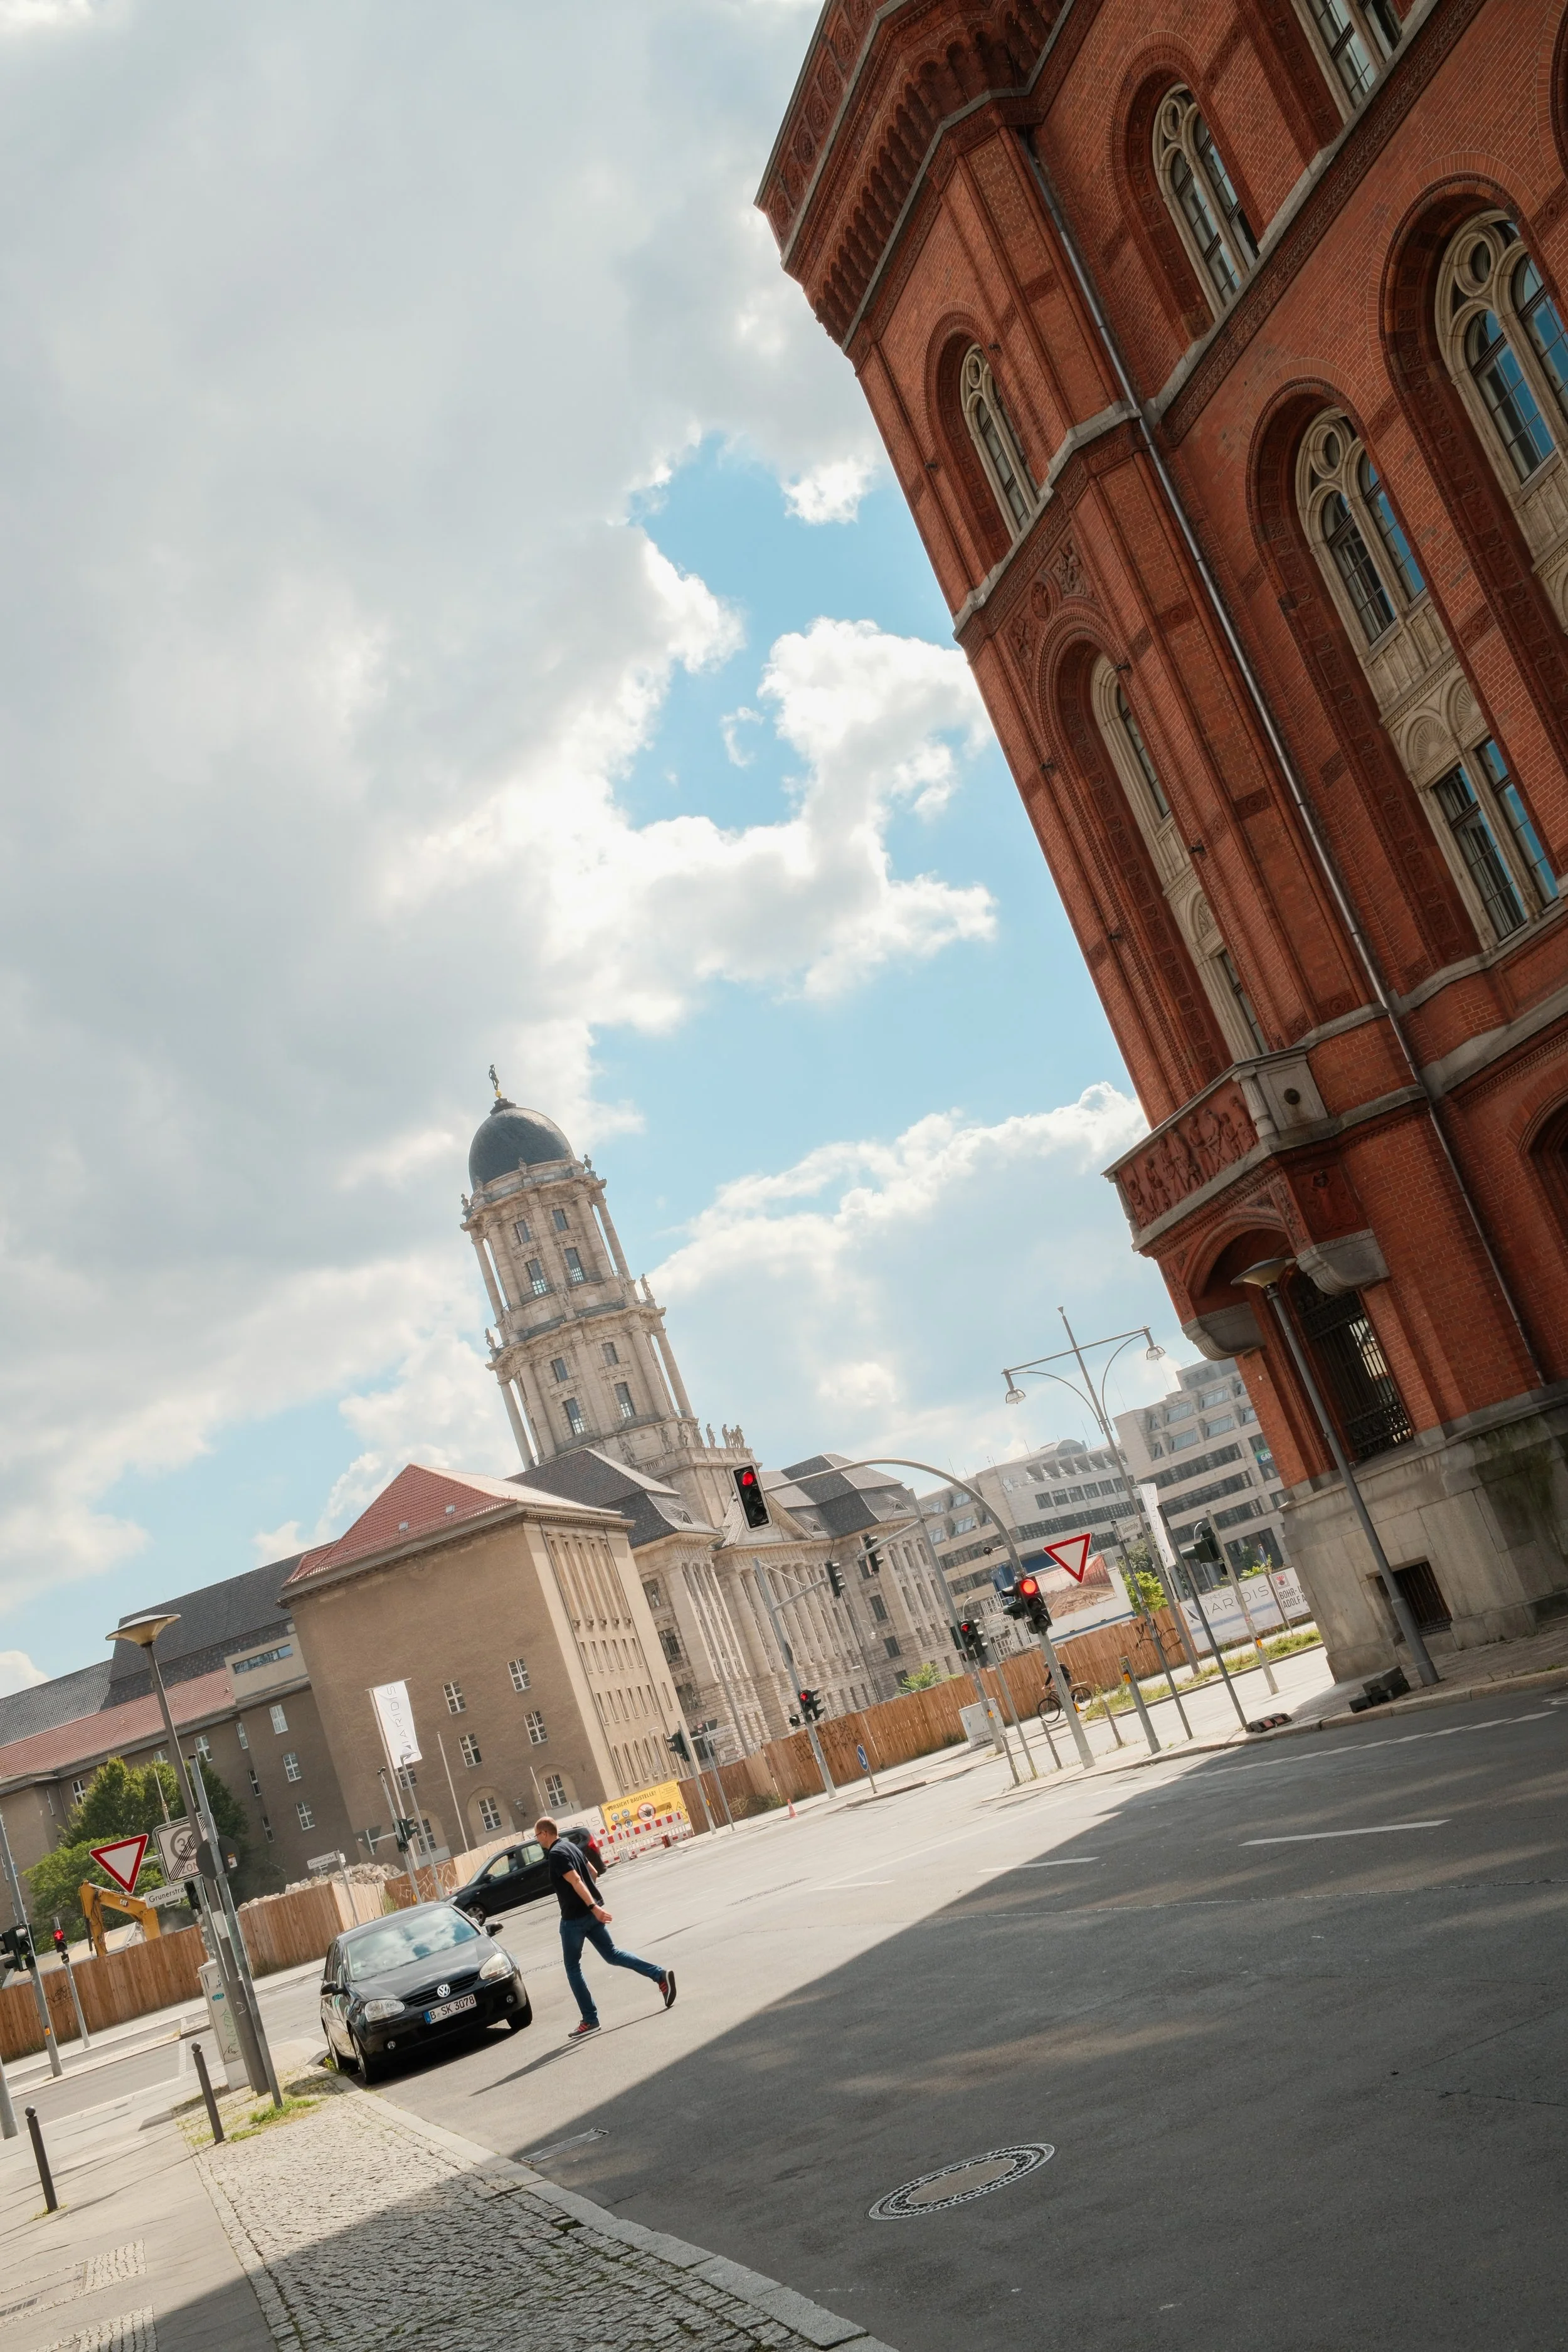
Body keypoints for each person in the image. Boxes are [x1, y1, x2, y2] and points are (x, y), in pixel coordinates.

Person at [534, 1815, 675, 2039]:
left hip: (574, 1919)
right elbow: (593, 1872)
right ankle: (659, 1975)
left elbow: (577, 1881)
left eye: (537, 1836)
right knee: (613, 1954)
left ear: (545, 1833)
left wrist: (591, 1906)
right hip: (590, 1916)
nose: (537, 1840)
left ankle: (590, 2019)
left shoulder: (556, 1854)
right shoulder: (571, 1846)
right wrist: (594, 1908)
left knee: (572, 1967)